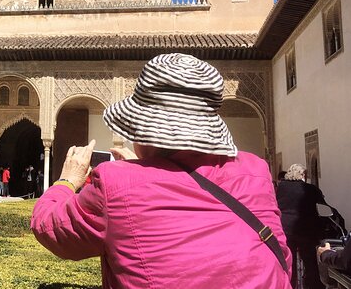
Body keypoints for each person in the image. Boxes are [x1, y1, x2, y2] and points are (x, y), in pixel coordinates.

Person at [31, 53, 291, 288]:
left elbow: (51, 229)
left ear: (145, 129)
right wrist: (144, 171)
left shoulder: (116, 182)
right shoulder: (255, 171)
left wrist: (68, 180)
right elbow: (279, 258)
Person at [277, 163, 327, 289]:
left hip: (285, 229)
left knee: (289, 262)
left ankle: (290, 285)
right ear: (303, 174)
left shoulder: (281, 187)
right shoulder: (310, 189)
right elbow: (322, 205)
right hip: (306, 230)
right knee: (310, 263)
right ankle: (313, 286)